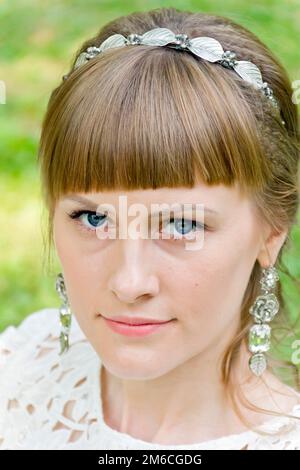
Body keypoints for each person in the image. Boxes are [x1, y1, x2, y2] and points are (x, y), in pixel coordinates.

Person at [1, 7, 300, 450]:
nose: (129, 282)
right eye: (94, 218)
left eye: (181, 225)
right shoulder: (18, 372)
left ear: (272, 231)